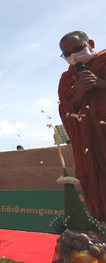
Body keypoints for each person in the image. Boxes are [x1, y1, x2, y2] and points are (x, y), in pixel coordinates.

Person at [58, 30, 106, 222]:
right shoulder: (66, 79)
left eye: (77, 49)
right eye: (67, 54)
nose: (73, 56)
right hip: (91, 143)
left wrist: (101, 83)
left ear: (90, 43)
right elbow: (66, 110)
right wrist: (78, 94)